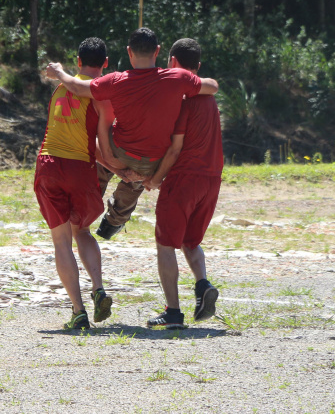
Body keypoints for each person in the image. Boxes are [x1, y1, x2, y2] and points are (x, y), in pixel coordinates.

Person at [45, 27, 219, 239]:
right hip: (152, 162)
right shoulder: (177, 78)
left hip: (119, 152)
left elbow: (78, 87)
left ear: (129, 52)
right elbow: (212, 86)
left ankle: (85, 205)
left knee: (98, 143)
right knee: (137, 176)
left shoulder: (117, 80)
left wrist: (59, 72)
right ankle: (113, 222)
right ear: (157, 51)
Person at [34, 37, 114, 330]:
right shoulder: (101, 96)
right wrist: (125, 171)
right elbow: (100, 147)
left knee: (60, 240)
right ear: (105, 63)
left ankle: (78, 311)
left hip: (49, 164)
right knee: (83, 230)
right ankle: (98, 287)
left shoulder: (59, 88)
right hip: (80, 169)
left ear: (78, 61)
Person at [142, 38, 222, 329]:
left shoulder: (184, 102)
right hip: (212, 180)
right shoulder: (211, 100)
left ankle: (173, 312)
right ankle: (202, 285)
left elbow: (175, 149)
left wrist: (155, 178)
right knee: (191, 240)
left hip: (184, 180)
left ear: (173, 63)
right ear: (197, 67)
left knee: (165, 244)